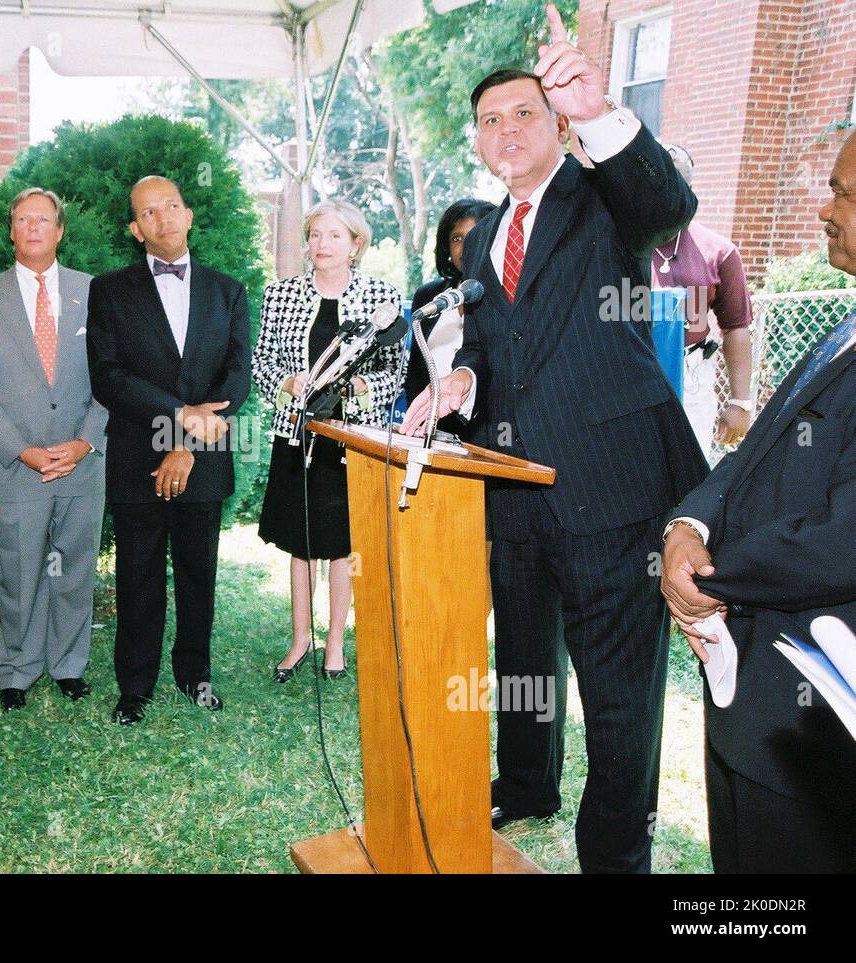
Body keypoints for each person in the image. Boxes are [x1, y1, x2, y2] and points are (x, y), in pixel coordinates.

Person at [401, 3, 707, 873]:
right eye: (489, 120)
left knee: (618, 707)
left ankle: (615, 860)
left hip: (612, 494)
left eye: (525, 112)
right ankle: (528, 780)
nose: (505, 130)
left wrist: (600, 109)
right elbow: (504, 350)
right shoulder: (488, 234)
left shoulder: (601, 196)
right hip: (518, 500)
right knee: (526, 672)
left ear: (558, 120)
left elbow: (665, 201)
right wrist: (463, 381)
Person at [661, 130, 856, 873]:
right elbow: (757, 453)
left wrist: (707, 577)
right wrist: (688, 525)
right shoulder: (844, 326)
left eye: (843, 193)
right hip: (751, 719)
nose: (824, 210)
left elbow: (844, 537)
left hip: (815, 734)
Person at [87, 175, 251, 726]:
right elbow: (108, 378)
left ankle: (195, 675)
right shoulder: (109, 290)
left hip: (203, 457)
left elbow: (237, 376)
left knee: (198, 573)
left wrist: (186, 443)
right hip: (137, 458)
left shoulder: (228, 291)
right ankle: (134, 687)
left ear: (189, 215)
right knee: (137, 575)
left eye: (172, 207)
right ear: (136, 230)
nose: (164, 219)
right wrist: (179, 418)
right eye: (149, 213)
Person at [0, 188, 107, 713]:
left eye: (44, 219)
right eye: (23, 220)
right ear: (12, 231)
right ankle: (17, 670)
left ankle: (68, 665)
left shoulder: (94, 294)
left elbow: (111, 381)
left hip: (81, 461)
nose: (34, 228)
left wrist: (86, 442)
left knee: (75, 567)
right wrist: (22, 450)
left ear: (60, 230)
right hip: (16, 466)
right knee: (20, 572)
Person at [252, 200, 401, 682]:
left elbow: (395, 370)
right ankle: (301, 638)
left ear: (356, 243)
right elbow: (261, 364)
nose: (322, 246)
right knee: (300, 541)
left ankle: (335, 641)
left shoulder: (382, 297)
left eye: (334, 236)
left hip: (350, 439)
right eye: (315, 235)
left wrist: (360, 388)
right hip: (297, 436)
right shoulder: (281, 295)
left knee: (341, 544)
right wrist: (287, 384)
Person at [650, 144, 754, 458]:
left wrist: (740, 401)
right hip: (629, 375)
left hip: (691, 376)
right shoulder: (616, 247)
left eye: (677, 184)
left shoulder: (719, 251)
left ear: (690, 191)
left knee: (687, 473)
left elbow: (736, 326)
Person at [405, 198, 497, 415]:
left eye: (476, 237)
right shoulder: (429, 296)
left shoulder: (508, 299)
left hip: (485, 433)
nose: (466, 247)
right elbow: (415, 374)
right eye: (457, 238)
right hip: (428, 427)